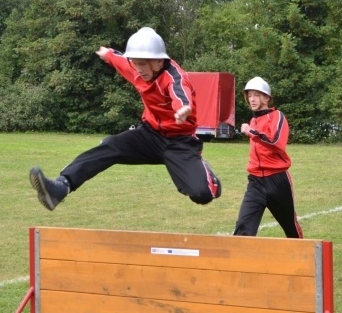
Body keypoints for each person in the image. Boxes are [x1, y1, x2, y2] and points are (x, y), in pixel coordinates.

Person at [28, 27, 222, 211]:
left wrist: (183, 109)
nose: (138, 70)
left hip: (180, 142)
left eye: (142, 64)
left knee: (201, 194)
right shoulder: (136, 68)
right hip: (150, 135)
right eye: (135, 64)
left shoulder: (174, 77)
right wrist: (107, 53)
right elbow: (119, 59)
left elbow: (181, 94)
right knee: (110, 145)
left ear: (158, 62)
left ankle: (207, 177)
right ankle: (61, 187)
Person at [233, 77, 303, 237]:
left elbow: (277, 142)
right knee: (243, 225)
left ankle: (303, 258)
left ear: (266, 98)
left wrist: (251, 132)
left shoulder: (277, 116)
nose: (252, 99)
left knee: (290, 226)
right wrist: (253, 131)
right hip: (256, 181)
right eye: (250, 95)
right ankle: (239, 261)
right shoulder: (254, 120)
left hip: (277, 181)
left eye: (257, 95)